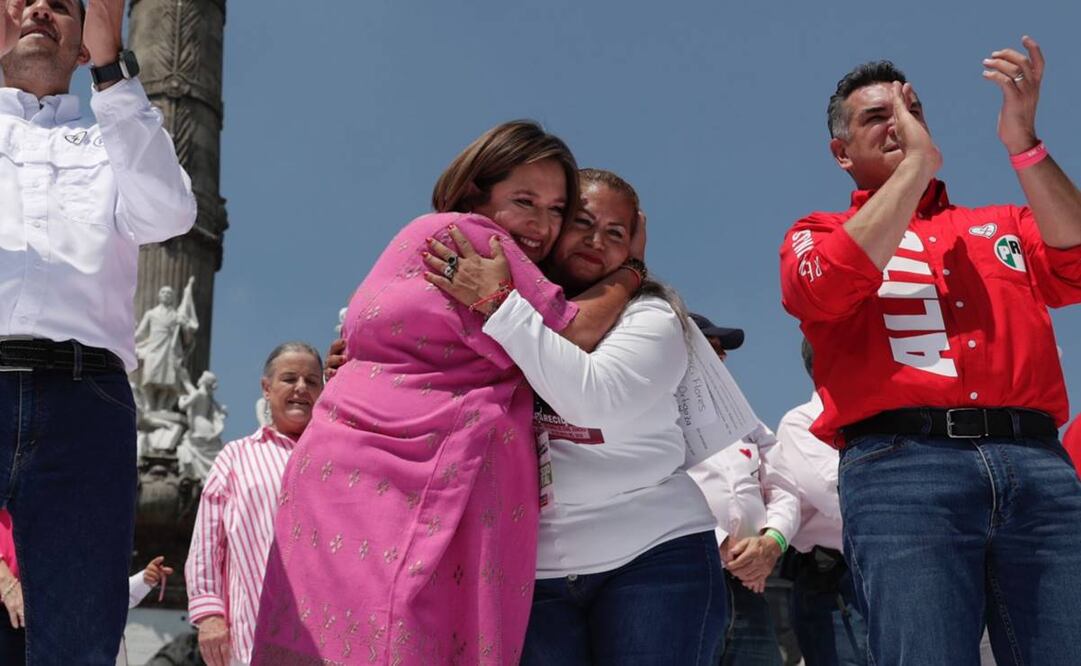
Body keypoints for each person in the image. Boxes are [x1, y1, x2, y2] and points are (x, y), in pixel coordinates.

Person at [251, 122, 640, 665]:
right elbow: (573, 332)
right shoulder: (477, 238)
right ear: (477, 191)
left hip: (341, 479)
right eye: (524, 201)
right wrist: (632, 272)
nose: (541, 225)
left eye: (557, 210)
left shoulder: (418, 233)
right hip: (405, 490)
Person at [779, 39, 1081, 664]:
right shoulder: (816, 233)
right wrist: (916, 167)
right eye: (878, 116)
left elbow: (1075, 260)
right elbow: (824, 288)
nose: (902, 123)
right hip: (903, 472)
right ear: (841, 153)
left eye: (912, 110)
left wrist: (1024, 142)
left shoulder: (1004, 222)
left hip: (1037, 466)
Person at [419, 168, 725, 664]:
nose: (596, 241)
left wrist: (502, 306)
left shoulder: (652, 316)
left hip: (655, 559)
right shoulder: (496, 306)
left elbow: (593, 401)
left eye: (616, 233)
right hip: (531, 572)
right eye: (582, 223)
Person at [0, 0, 197, 661]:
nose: (38, 8)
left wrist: (113, 72)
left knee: (79, 641)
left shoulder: (111, 138)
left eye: (61, 4)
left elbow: (169, 212)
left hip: (85, 404)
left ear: (83, 44)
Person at [186, 342, 324, 666]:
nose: (301, 388)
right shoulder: (236, 456)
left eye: (312, 381)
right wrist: (209, 615)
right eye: (289, 378)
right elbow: (207, 542)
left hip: (325, 638)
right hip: (251, 637)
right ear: (266, 387)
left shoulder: (336, 459)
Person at [686, 315, 799, 666]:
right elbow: (654, 487)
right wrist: (720, 543)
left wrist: (771, 542)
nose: (722, 358)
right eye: (711, 349)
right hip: (685, 584)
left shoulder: (748, 423)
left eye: (722, 352)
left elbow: (785, 489)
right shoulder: (652, 417)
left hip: (748, 589)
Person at [774, 341, 867, 666]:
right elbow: (840, 499)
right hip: (837, 584)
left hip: (888, 575)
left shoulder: (885, 420)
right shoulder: (801, 423)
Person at [135, 278, 199, 412]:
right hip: (154, 347)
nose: (166, 295)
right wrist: (129, 339)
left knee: (167, 380)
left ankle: (161, 406)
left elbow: (187, 337)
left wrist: (184, 326)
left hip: (170, 349)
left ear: (173, 298)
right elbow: (141, 332)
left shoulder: (177, 316)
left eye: (169, 293)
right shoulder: (151, 313)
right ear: (159, 296)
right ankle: (149, 404)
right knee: (149, 376)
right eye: (163, 292)